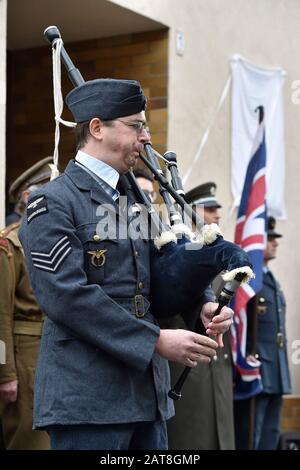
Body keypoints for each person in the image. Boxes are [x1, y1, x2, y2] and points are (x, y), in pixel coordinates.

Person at [19, 78, 234, 450]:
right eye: (136, 125)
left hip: (147, 398)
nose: (146, 137)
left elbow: (161, 275)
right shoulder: (53, 203)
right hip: (87, 401)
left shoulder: (134, 203)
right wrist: (156, 340)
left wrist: (201, 307)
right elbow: (67, 297)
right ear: (98, 128)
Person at [166, 182, 235, 450]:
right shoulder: (177, 252)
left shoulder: (216, 254)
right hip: (186, 370)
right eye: (210, 208)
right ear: (189, 212)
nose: (218, 215)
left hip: (217, 366)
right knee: (190, 440)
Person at [0, 157, 52, 450]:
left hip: (57, 356)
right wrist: (5, 373)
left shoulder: (59, 241)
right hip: (25, 362)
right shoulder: (8, 247)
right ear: (28, 198)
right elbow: (0, 317)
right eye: (50, 191)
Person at [234, 216, 291, 450]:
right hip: (256, 367)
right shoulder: (250, 282)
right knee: (251, 435)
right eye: (270, 238)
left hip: (276, 369)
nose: (275, 242)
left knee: (271, 433)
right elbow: (240, 322)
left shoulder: (271, 281)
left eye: (276, 238)